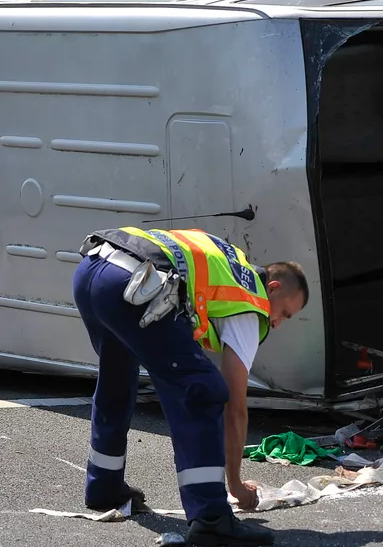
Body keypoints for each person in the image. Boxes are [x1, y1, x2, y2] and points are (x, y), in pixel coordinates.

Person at [71, 225, 308, 546]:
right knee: (203, 391)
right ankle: (211, 517)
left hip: (93, 268)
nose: (277, 323)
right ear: (274, 288)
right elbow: (235, 407)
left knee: (117, 382)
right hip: (136, 283)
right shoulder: (249, 299)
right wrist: (235, 484)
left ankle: (104, 488)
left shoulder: (229, 261)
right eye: (285, 314)